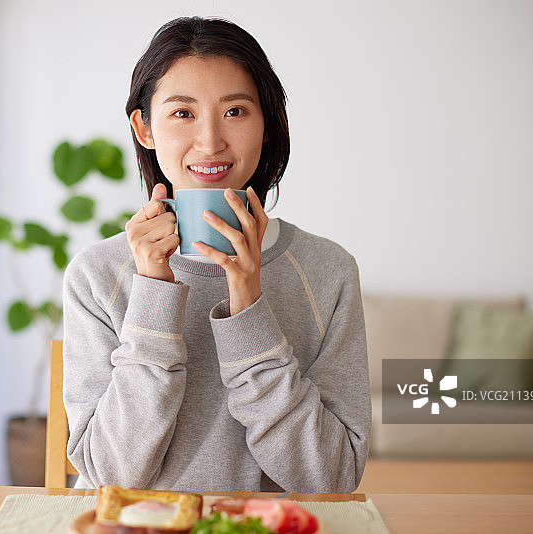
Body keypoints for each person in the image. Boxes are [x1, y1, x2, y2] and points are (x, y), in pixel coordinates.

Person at [62, 16, 370, 493]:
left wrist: (248, 308)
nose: (210, 142)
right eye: (182, 113)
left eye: (235, 111)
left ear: (267, 124)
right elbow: (111, 478)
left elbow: (330, 480)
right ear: (144, 128)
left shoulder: (328, 271)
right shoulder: (97, 275)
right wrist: (153, 295)